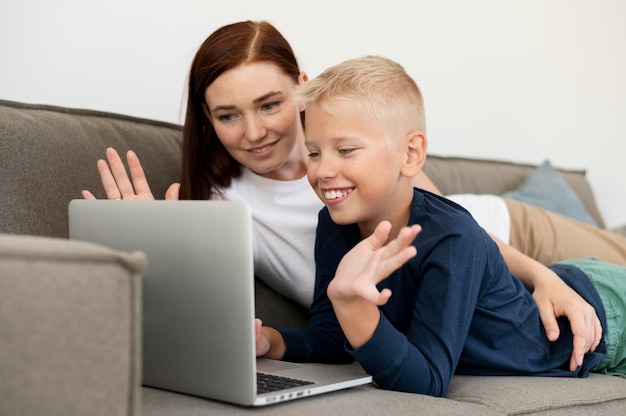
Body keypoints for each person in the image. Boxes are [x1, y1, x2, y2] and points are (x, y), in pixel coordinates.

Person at [82, 20, 600, 366]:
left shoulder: (354, 141)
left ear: (301, 88)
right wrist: (153, 242)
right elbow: (211, 312)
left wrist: (542, 277)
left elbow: (450, 224)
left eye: (269, 105)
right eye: (227, 116)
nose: (255, 132)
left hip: (512, 235)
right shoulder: (221, 204)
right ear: (207, 120)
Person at [255, 55, 626, 396]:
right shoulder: (334, 225)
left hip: (603, 313)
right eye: (314, 153)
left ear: (411, 154)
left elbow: (428, 380)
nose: (323, 171)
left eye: (346, 150)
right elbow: (334, 338)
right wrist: (272, 342)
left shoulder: (450, 236)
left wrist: (354, 306)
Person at [412, 173, 626, 267]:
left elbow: (448, 219)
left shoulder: (394, 146)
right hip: (494, 247)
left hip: (513, 228)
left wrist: (538, 274)